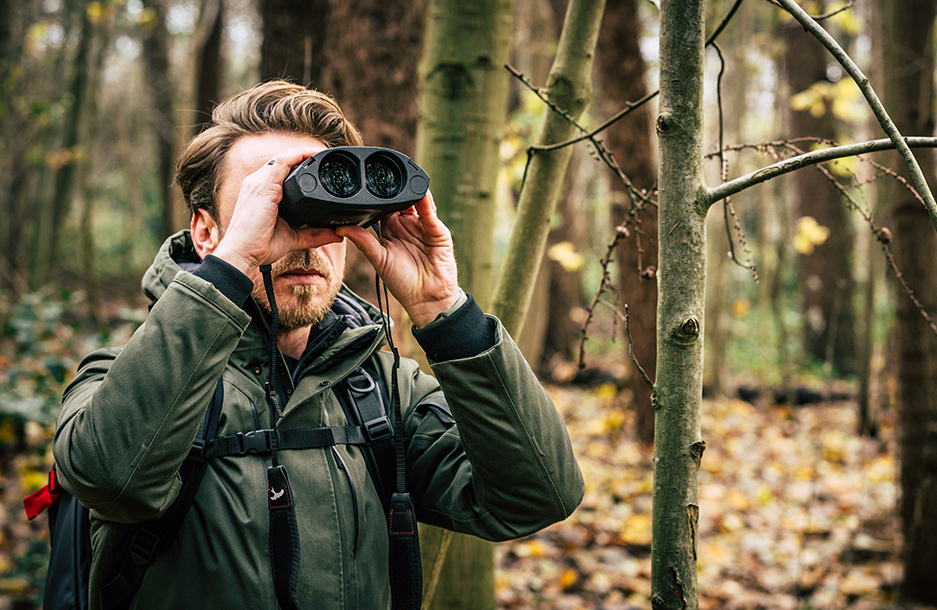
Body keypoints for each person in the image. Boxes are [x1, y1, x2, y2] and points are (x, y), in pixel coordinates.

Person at [52, 80, 584, 610]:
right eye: (271, 205)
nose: (304, 240)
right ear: (205, 232)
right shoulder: (118, 378)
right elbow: (108, 478)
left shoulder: (382, 389)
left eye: (321, 209)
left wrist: (443, 308)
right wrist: (234, 265)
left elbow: (536, 496)